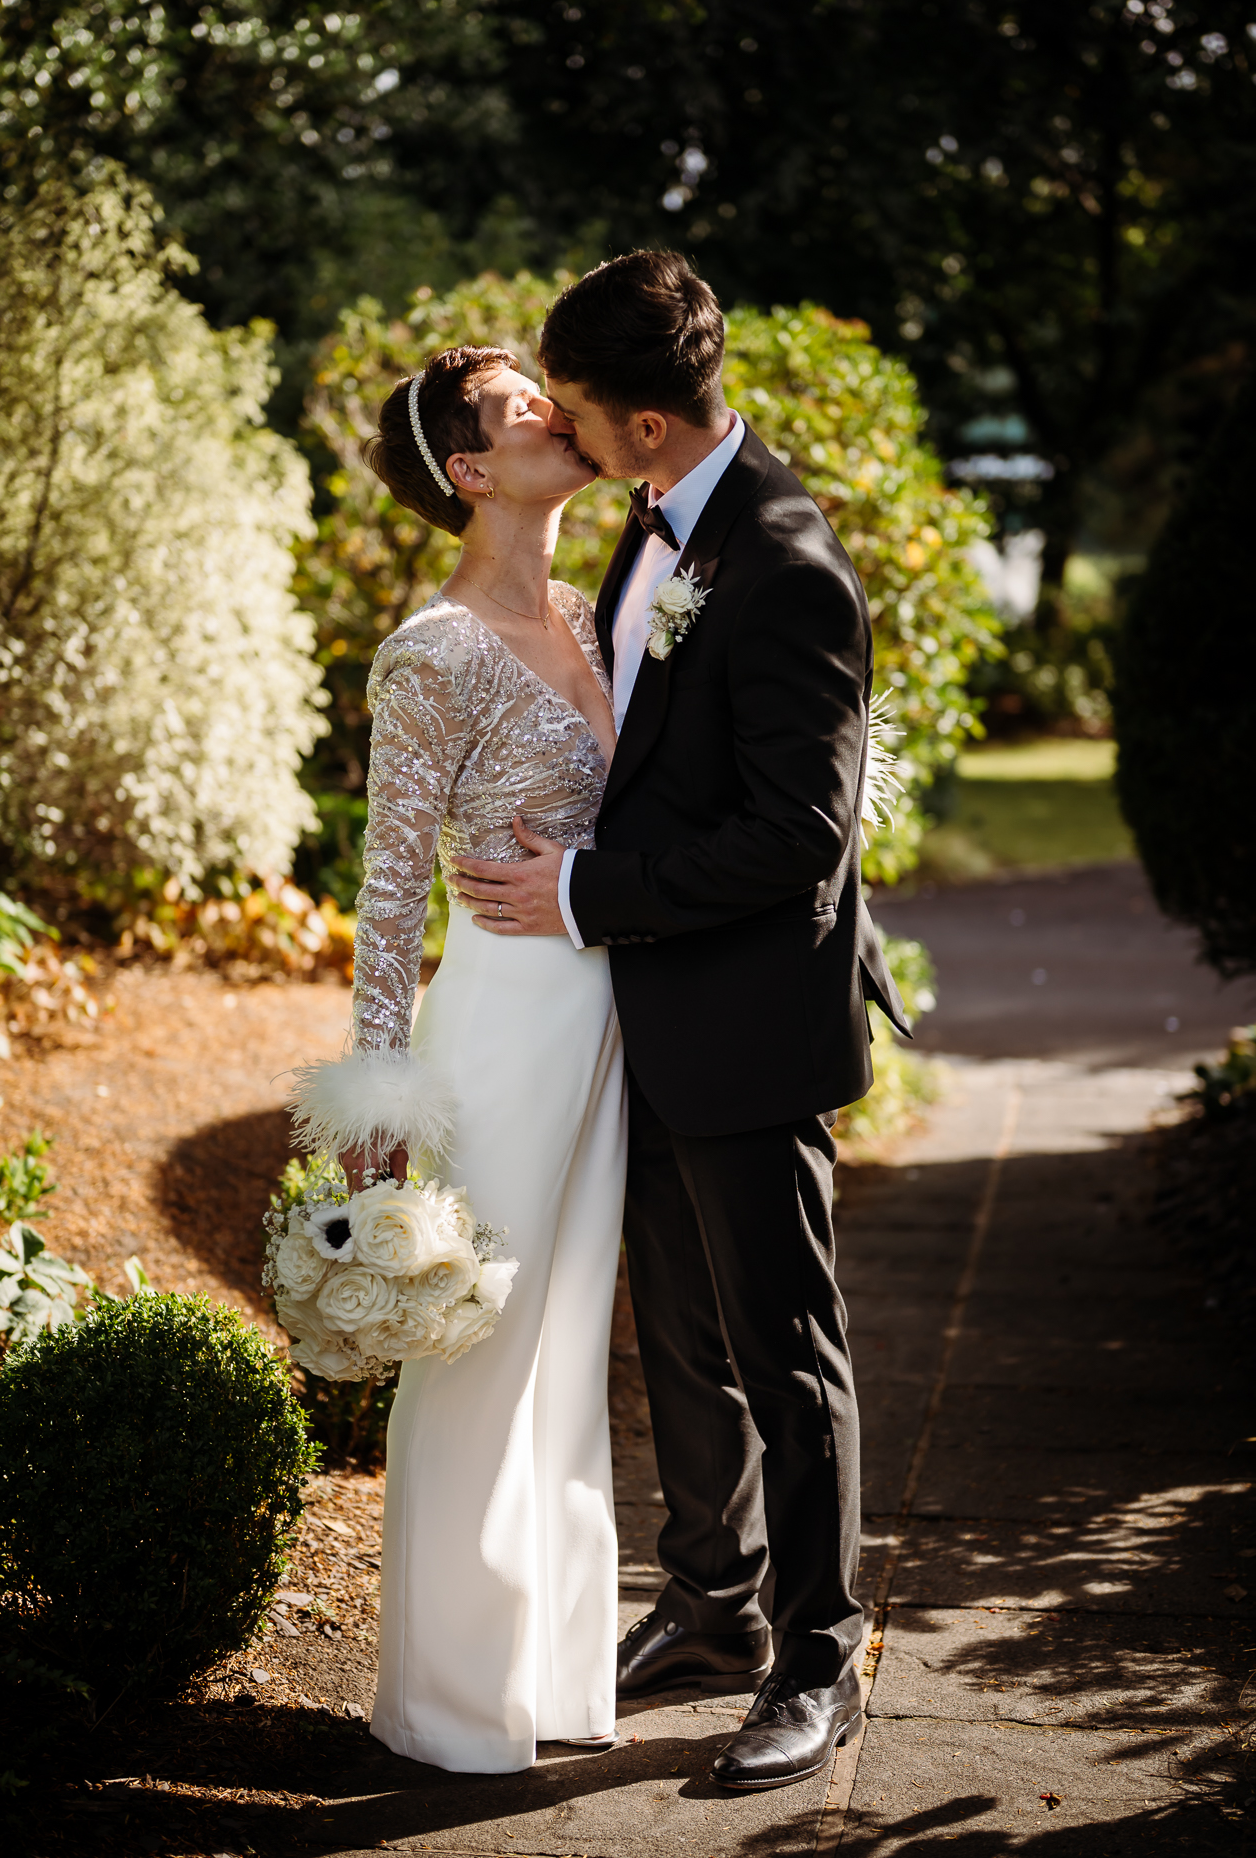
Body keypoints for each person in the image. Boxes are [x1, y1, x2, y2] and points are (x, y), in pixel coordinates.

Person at [451, 251, 909, 1792]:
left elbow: (799, 833)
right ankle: (709, 1604)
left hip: (750, 1022)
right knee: (685, 1339)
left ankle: (819, 1659)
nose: (565, 437)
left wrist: (587, 892)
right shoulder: (656, 528)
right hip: (643, 1021)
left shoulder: (783, 566)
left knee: (788, 1350)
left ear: (646, 427)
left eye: (579, 414)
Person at [290, 345, 626, 1774]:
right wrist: (378, 1107)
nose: (556, 407)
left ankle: (550, 1677)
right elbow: (383, 896)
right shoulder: (430, 652)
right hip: (499, 1019)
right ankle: (444, 1702)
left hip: (611, 1019)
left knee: (568, 1356)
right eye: (517, 405)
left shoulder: (594, 614)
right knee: (474, 1344)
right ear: (472, 472)